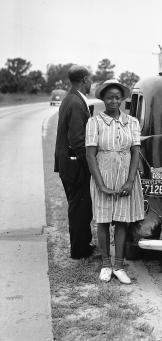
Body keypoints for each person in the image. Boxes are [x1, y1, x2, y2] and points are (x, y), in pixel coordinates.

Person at [85, 80, 144, 284]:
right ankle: (105, 264)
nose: (113, 101)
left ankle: (119, 266)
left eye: (117, 97)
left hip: (125, 175)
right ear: (103, 98)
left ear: (122, 99)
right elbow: (91, 155)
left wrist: (129, 181)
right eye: (109, 97)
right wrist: (101, 184)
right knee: (103, 221)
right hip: (103, 174)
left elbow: (136, 152)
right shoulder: (94, 122)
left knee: (121, 221)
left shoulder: (132, 122)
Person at [54, 65, 94, 259]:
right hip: (76, 165)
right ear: (85, 79)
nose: (92, 82)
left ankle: (83, 244)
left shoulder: (71, 98)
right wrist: (90, 164)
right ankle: (79, 250)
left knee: (80, 206)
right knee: (80, 208)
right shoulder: (76, 103)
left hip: (69, 164)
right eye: (91, 78)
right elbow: (78, 140)